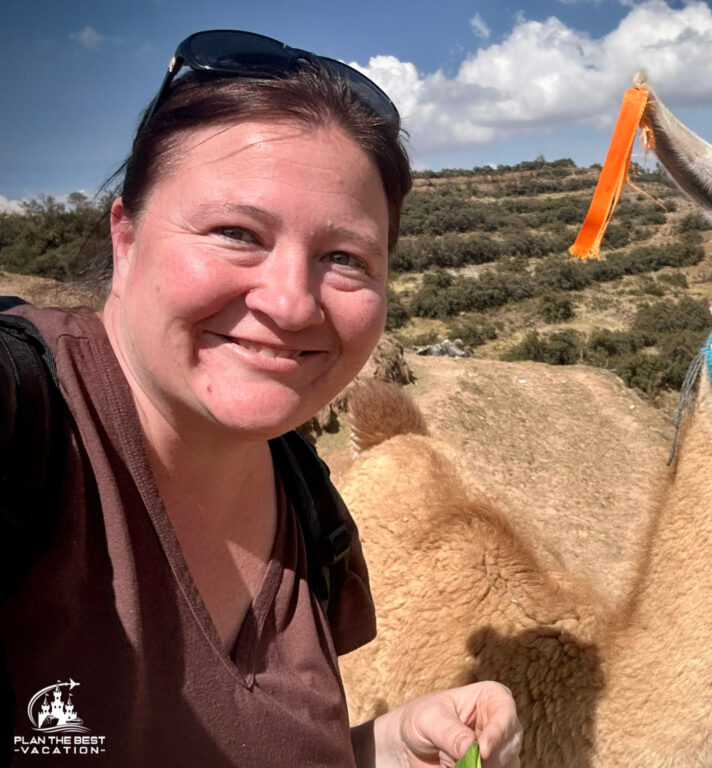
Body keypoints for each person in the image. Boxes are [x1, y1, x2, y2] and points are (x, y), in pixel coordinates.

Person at [0, 30, 521, 767]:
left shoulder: (312, 511)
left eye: (344, 257)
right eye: (236, 232)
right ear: (125, 237)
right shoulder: (25, 421)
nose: (290, 303)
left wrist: (389, 747)